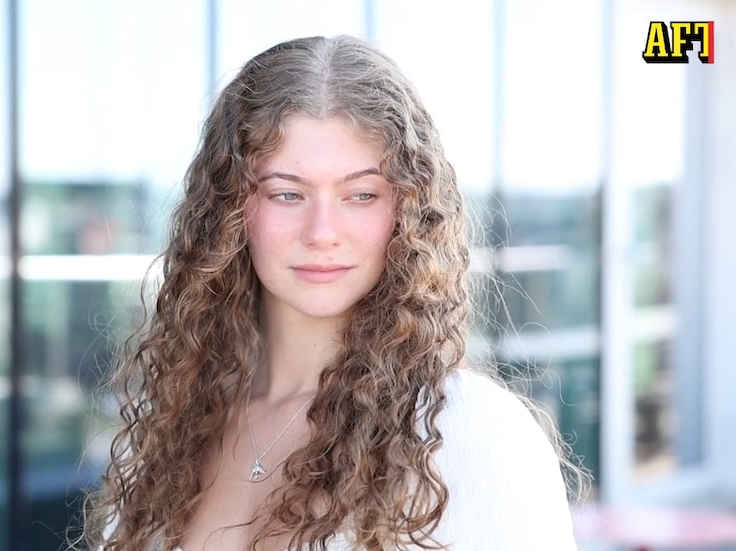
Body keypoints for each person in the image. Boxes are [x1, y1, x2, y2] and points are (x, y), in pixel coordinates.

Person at [85, 35, 585, 550]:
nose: (322, 232)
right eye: (287, 194)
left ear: (409, 211)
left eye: (361, 195)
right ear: (228, 211)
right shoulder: (171, 431)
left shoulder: (467, 433)